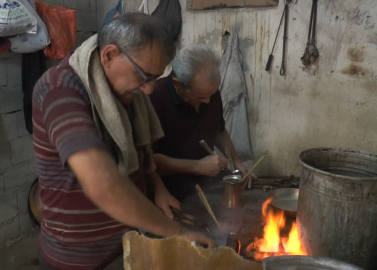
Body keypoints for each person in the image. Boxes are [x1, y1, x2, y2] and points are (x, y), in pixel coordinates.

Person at [32, 14, 215, 270]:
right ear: (109, 55)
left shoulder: (126, 92)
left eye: (154, 78)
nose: (149, 90)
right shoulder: (61, 91)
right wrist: (177, 233)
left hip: (125, 246)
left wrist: (157, 188)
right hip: (76, 260)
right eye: (144, 76)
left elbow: (141, 152)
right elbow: (102, 184)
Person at [149, 45, 255, 201]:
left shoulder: (210, 93)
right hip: (168, 192)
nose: (207, 101)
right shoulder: (155, 98)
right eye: (200, 97)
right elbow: (149, 160)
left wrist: (236, 161)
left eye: (211, 95)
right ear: (178, 85)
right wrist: (197, 166)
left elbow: (219, 131)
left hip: (207, 187)